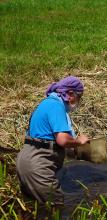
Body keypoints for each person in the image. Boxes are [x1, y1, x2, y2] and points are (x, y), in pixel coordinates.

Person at [16, 76, 89, 206]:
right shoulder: (56, 106)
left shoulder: (46, 103)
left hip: (25, 160)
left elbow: (47, 139)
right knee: (56, 207)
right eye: (79, 97)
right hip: (37, 165)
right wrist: (79, 141)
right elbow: (62, 140)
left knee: (36, 209)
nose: (78, 101)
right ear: (71, 94)